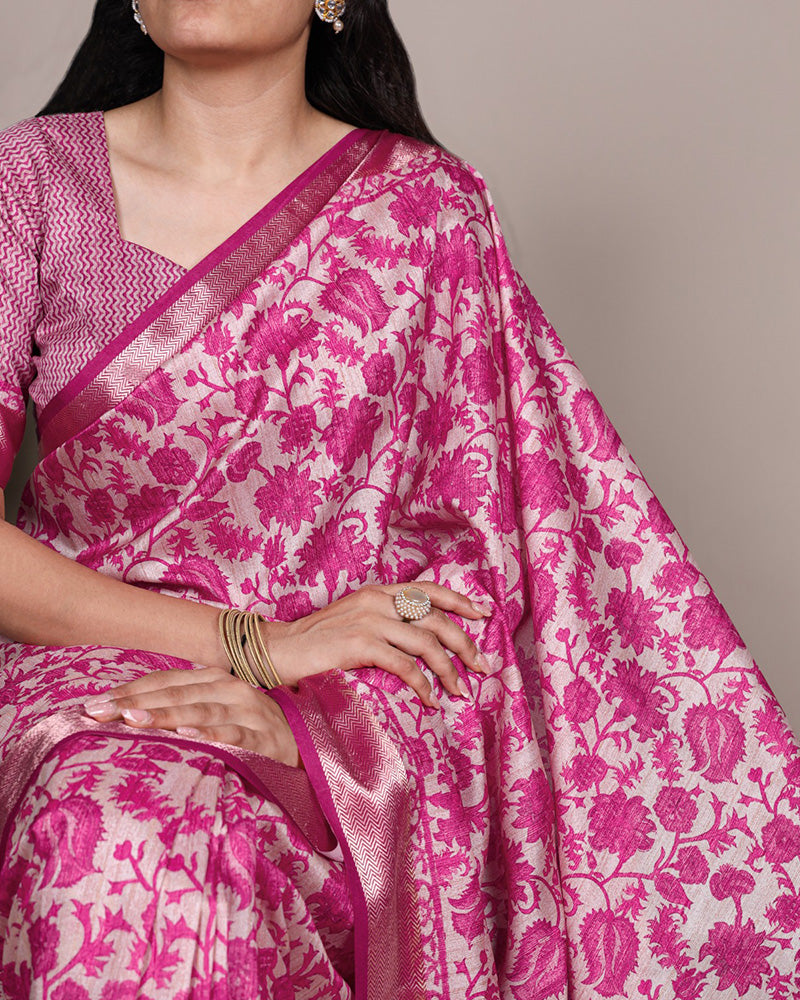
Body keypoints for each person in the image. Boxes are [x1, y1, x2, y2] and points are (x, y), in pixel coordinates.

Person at [1, 1, 798, 997]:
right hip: (91, 681)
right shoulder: (31, 185)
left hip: (335, 714)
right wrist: (250, 644)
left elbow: (478, 576)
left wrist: (320, 731)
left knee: (204, 834)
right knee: (120, 829)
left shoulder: (424, 213)